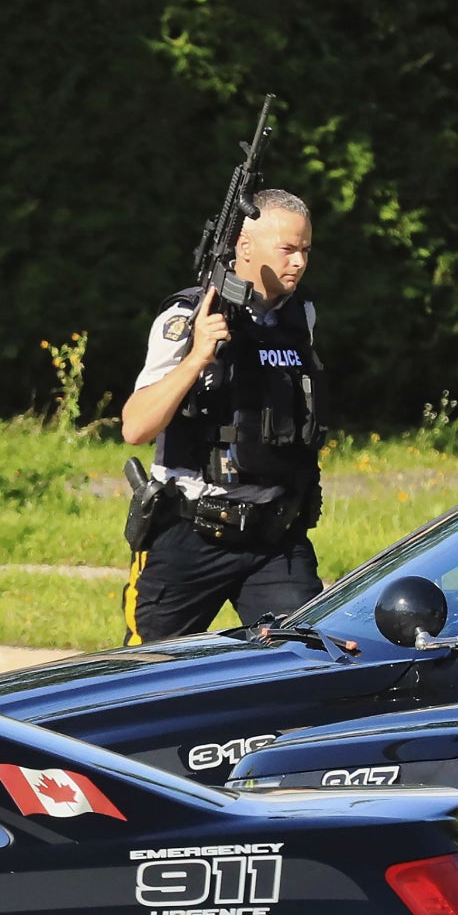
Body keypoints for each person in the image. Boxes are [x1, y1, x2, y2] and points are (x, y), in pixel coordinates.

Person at [118, 188, 328, 645]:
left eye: (305, 250)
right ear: (245, 247)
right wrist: (196, 358)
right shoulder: (187, 315)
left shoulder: (300, 314)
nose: (299, 262)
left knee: (302, 661)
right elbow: (135, 427)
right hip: (190, 533)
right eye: (287, 249)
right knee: (150, 672)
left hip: (275, 536)